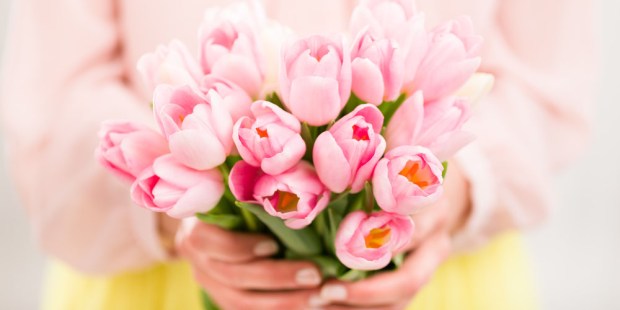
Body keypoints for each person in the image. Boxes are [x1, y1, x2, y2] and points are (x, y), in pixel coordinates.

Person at [0, 0, 594, 309]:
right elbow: (54, 92)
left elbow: (551, 82)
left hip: (440, 278)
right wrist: (176, 210)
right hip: (154, 282)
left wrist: (451, 188)